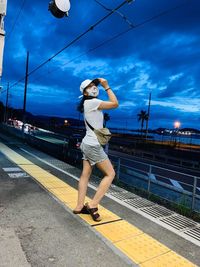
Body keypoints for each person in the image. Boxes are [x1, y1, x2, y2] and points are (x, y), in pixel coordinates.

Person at [73, 78, 119, 221]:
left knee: (85, 174)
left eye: (95, 85)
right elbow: (115, 104)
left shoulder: (88, 103)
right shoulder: (92, 102)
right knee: (110, 174)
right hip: (92, 145)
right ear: (85, 92)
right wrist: (106, 86)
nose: (94, 88)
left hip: (86, 143)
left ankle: (79, 206)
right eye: (90, 86)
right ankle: (93, 205)